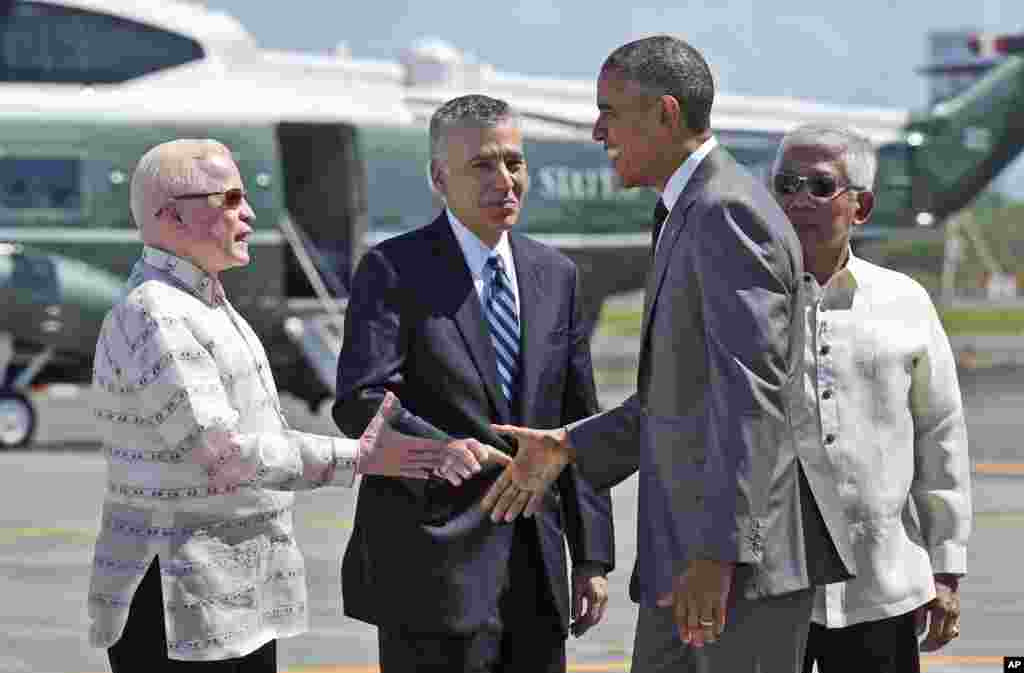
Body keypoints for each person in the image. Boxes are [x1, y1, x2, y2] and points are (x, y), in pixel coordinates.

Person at [481, 36, 857, 672]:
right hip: (690, 562)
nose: (598, 131)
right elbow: (686, 392)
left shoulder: (724, 212)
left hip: (733, 571)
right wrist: (570, 444)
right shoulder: (693, 208)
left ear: (664, 113)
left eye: (610, 112)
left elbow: (751, 399)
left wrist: (721, 553)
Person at [87, 139, 501, 672]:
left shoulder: (205, 304)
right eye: (230, 198)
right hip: (177, 597)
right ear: (172, 215)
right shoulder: (156, 312)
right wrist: (361, 457)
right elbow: (220, 453)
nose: (249, 212)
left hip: (231, 593)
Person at [333, 94, 615, 673]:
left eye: (515, 162)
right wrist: (439, 448)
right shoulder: (392, 270)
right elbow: (359, 400)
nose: (505, 180)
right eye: (483, 165)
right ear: (440, 178)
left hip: (536, 571)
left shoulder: (556, 276)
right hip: (432, 568)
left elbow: (578, 420)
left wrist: (591, 558)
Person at [766, 124, 972, 673]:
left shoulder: (904, 301)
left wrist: (946, 568)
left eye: (819, 185)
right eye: (785, 185)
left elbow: (940, 435)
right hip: (769, 595)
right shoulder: (746, 302)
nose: (798, 200)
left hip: (882, 589)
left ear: (862, 206)